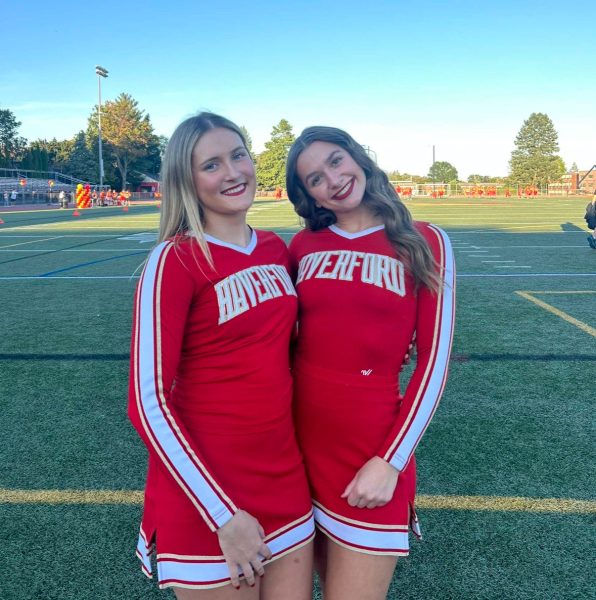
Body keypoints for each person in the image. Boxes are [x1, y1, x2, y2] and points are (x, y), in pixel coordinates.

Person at [127, 112, 314, 599]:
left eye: (238, 155)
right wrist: (223, 516)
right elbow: (147, 404)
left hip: (286, 482)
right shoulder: (174, 260)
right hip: (208, 497)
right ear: (186, 182)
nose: (233, 172)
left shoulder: (276, 250)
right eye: (211, 165)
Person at [285, 126, 456, 600]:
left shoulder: (425, 241)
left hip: (371, 451)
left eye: (337, 161)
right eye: (315, 178)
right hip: (295, 454)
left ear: (358, 158)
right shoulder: (302, 248)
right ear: (308, 195)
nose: (333, 180)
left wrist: (391, 462)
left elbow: (434, 363)